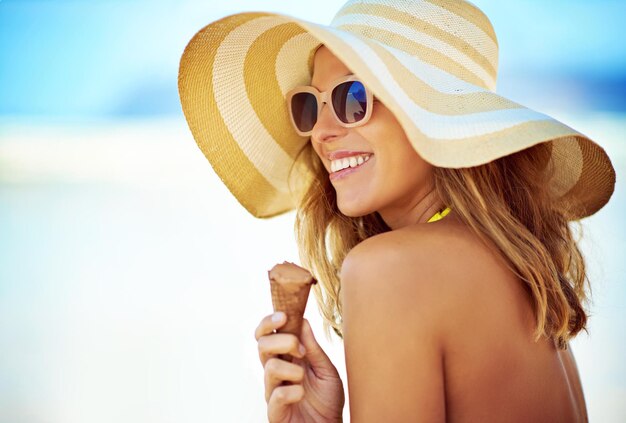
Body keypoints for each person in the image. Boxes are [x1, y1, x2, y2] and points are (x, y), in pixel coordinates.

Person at [178, 1, 616, 421]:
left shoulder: (388, 270)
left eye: (352, 98)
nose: (323, 133)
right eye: (310, 106)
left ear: (434, 117)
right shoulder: (522, 274)